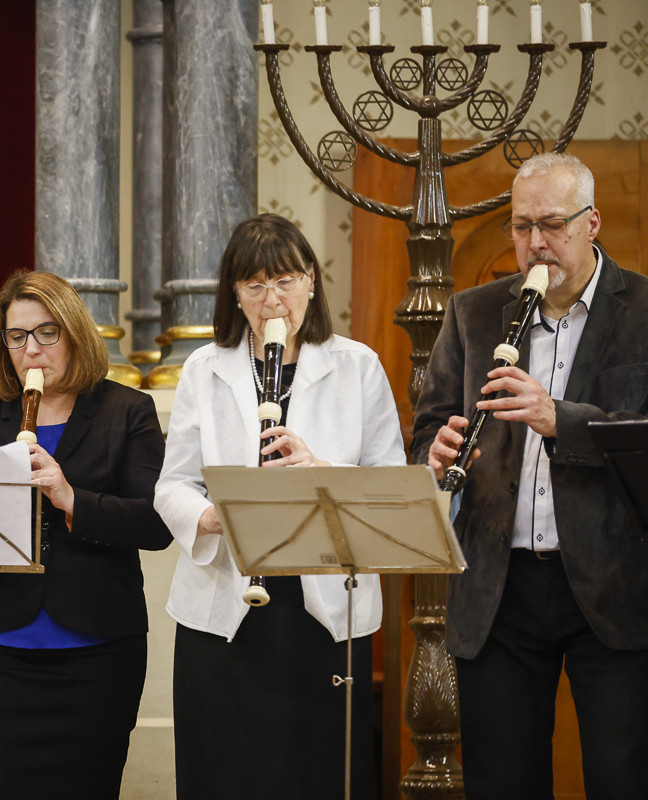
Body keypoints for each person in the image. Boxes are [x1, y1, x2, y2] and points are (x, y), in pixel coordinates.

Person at [411, 152, 648, 798]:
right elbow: (427, 429)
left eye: (552, 224)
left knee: (623, 777)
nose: (535, 243)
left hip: (615, 582)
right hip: (500, 585)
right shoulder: (473, 313)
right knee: (502, 781)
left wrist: (557, 418)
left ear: (591, 222)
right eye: (521, 226)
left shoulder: (642, 309)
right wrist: (436, 453)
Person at [154, 214, 405, 799]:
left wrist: (320, 470)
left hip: (322, 614)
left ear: (312, 282)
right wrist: (211, 516)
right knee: (225, 775)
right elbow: (172, 485)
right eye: (255, 286)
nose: (273, 301)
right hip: (225, 609)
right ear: (235, 294)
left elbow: (391, 485)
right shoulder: (204, 368)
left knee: (317, 774)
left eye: (286, 281)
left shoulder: (358, 365)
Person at [0, 271, 173, 799]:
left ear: (74, 334)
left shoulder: (127, 411)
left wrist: (72, 498)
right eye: (17, 336)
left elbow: (157, 524)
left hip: (96, 655)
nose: (31, 350)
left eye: (47, 333)